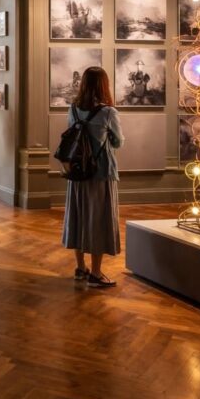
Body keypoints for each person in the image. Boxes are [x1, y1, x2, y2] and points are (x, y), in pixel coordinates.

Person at [62, 66, 124, 288]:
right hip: (101, 172)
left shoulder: (73, 109)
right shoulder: (108, 112)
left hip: (77, 172)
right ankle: (96, 273)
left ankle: (80, 268)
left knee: (78, 216)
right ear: (104, 85)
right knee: (99, 219)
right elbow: (118, 142)